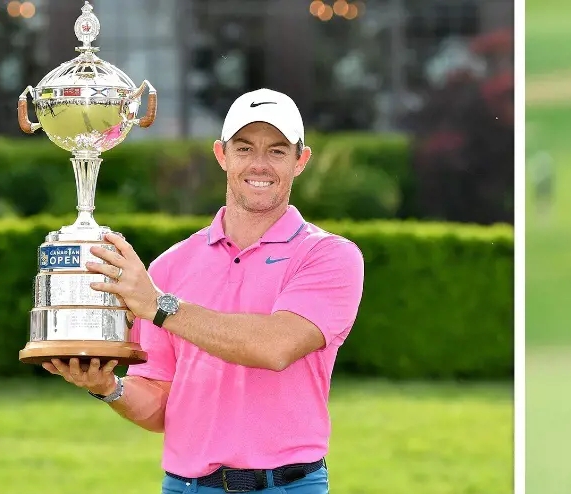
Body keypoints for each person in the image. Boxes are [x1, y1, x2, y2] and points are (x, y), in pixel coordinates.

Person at [41, 88, 365, 494]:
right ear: (221, 155)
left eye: (278, 151)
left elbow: (276, 346)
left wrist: (159, 305)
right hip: (185, 487)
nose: (259, 165)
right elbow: (159, 403)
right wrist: (108, 387)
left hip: (286, 486)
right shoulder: (170, 267)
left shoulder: (329, 256)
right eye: (244, 148)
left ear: (301, 160)